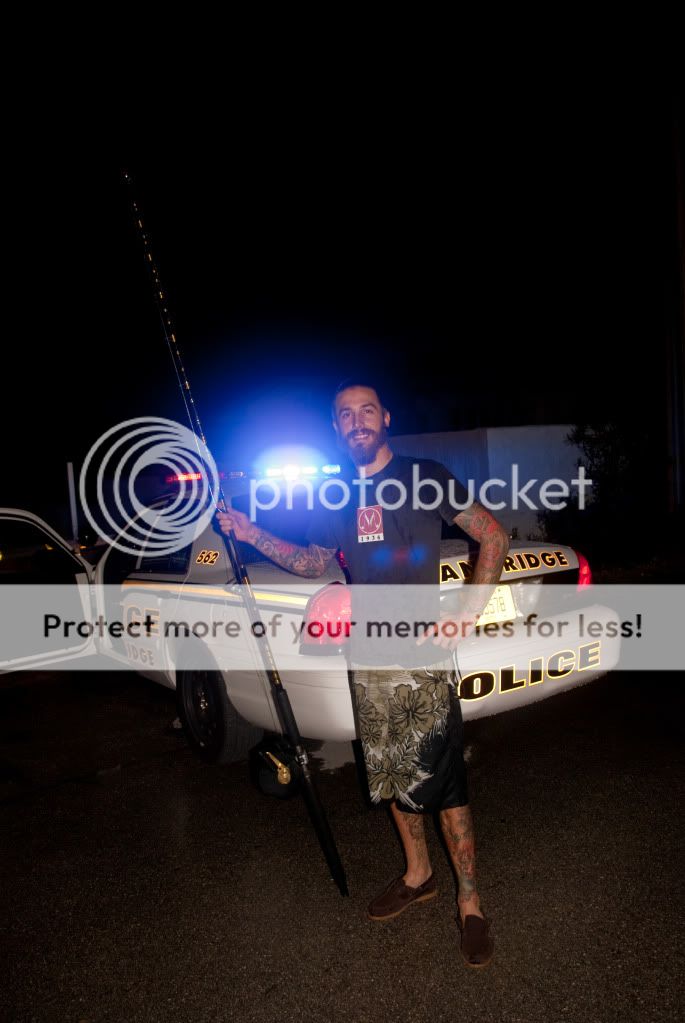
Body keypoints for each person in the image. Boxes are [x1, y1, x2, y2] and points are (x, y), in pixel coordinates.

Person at [217, 381, 509, 968]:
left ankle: (470, 902)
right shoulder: (337, 495)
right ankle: (418, 874)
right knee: (391, 775)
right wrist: (250, 533)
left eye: (366, 411)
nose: (357, 422)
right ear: (336, 428)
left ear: (385, 418)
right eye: (345, 414)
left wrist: (466, 614)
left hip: (424, 659)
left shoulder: (424, 476)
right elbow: (312, 560)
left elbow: (493, 536)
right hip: (369, 657)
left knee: (445, 782)